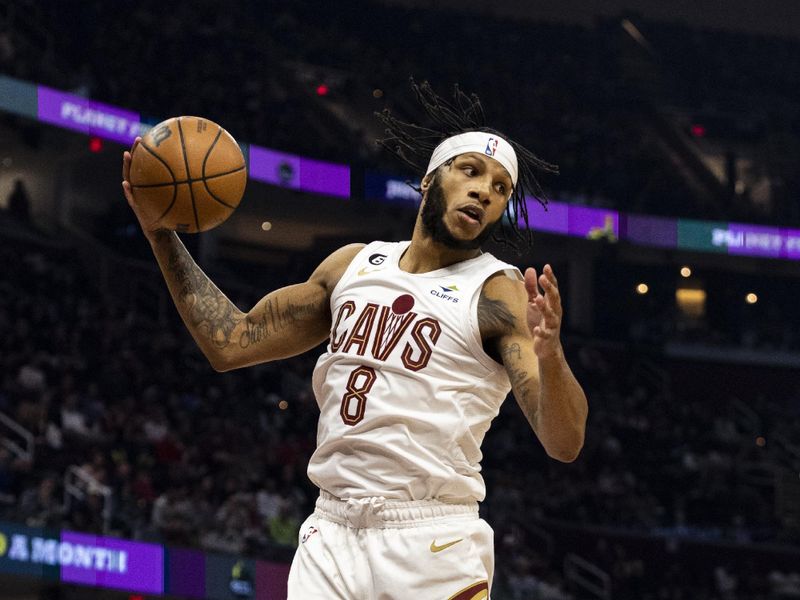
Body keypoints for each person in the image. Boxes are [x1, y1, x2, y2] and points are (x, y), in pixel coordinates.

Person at [121, 80, 588, 600]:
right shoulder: (353, 265)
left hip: (430, 539)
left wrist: (552, 357)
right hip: (331, 533)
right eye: (471, 171)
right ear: (430, 179)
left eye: (501, 187)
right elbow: (231, 342)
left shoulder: (498, 292)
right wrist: (161, 234)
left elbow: (562, 442)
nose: (484, 190)